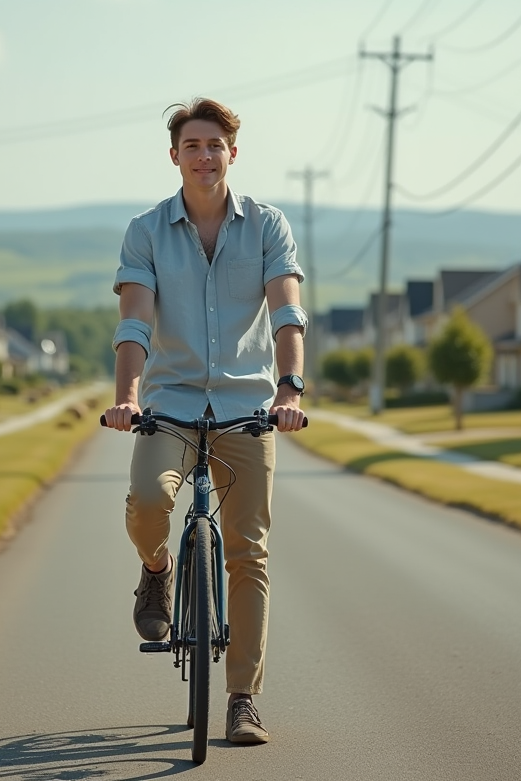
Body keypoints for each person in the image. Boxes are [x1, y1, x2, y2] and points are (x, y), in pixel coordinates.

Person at [102, 97, 307, 745]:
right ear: (175, 156)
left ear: (232, 154)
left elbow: (287, 314)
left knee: (249, 552)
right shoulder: (146, 231)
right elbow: (135, 321)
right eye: (192, 145)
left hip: (248, 409)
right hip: (170, 404)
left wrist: (290, 389)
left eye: (215, 145)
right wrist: (128, 395)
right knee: (146, 503)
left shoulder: (268, 226)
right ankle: (157, 571)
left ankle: (243, 699)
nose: (204, 155)